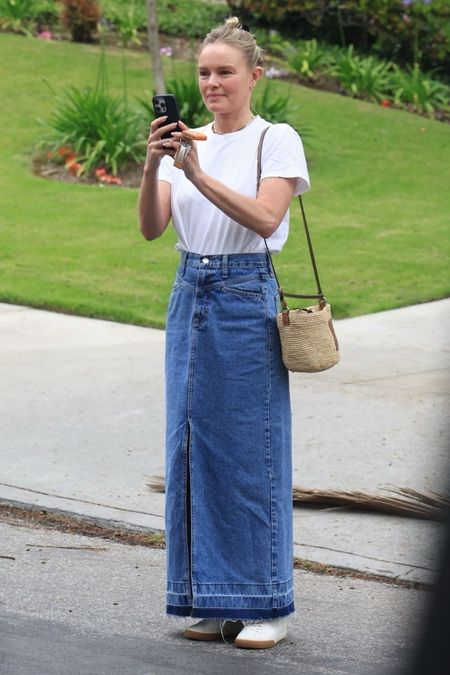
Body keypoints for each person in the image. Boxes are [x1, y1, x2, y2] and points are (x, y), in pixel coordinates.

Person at [138, 17, 309, 650]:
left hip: (244, 296)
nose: (212, 83)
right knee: (190, 448)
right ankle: (209, 600)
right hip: (189, 291)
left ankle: (266, 603)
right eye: (204, 73)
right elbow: (153, 228)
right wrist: (155, 163)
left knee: (249, 452)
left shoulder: (276, 139)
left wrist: (198, 172)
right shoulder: (186, 143)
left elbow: (266, 218)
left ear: (254, 76)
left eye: (225, 72)